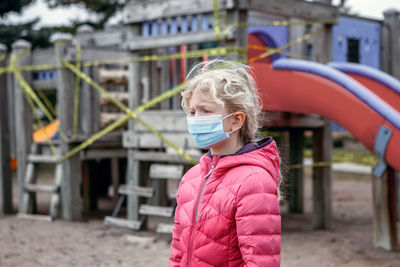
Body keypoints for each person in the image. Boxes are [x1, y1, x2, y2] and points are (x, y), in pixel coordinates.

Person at [169, 60, 281, 267]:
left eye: (206, 111)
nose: (196, 119)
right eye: (192, 112)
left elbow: (261, 261)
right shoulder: (191, 178)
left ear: (236, 120)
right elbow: (177, 250)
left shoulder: (254, 181)